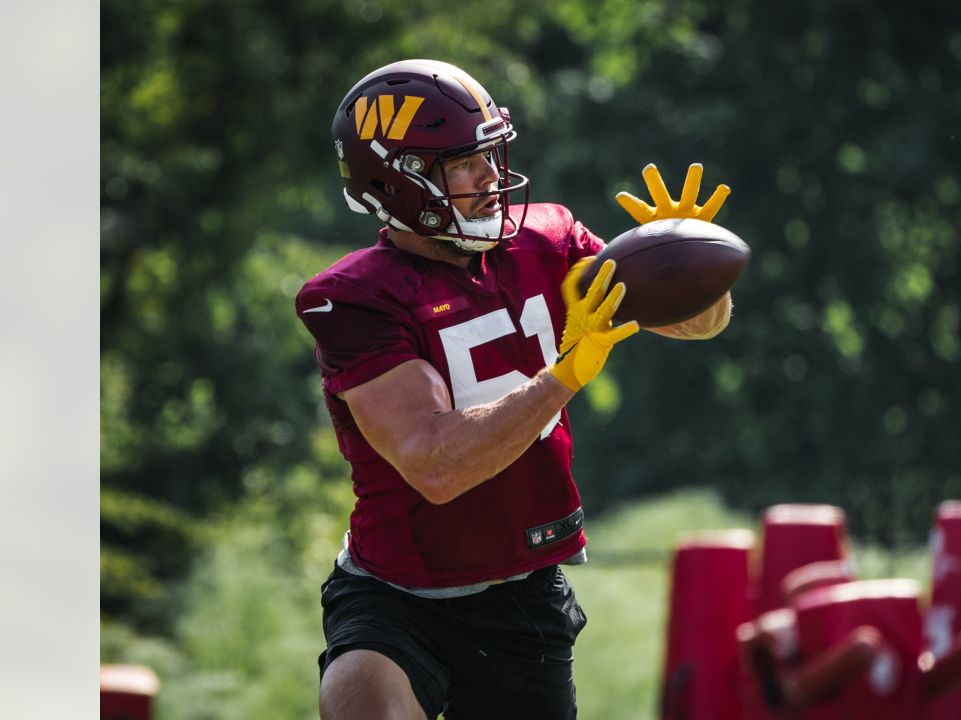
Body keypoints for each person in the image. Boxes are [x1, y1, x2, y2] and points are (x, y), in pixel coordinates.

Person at [296, 59, 735, 720]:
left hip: (522, 592)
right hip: (397, 589)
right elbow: (436, 465)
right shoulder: (356, 296)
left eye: (493, 155)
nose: (492, 179)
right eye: (465, 164)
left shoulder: (547, 241)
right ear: (401, 180)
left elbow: (699, 325)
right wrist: (561, 376)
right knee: (361, 701)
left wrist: (687, 272)